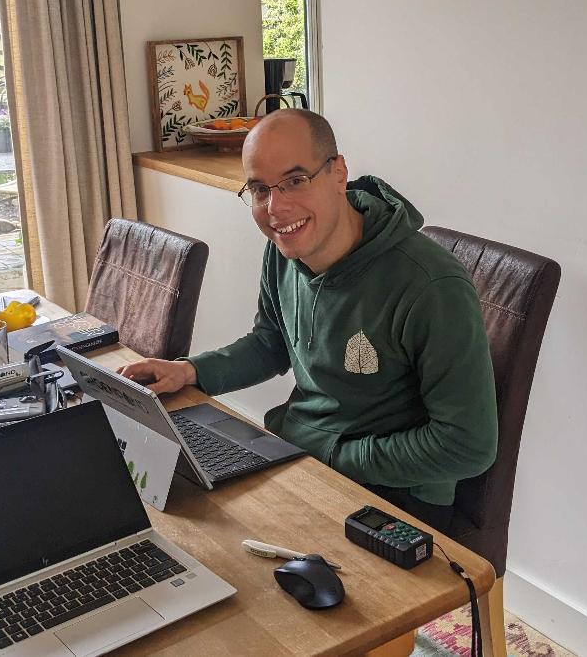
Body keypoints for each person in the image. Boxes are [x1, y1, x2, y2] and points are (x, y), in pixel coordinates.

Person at [119, 109, 497, 533]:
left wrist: (331, 454)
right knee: (175, 517)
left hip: (396, 496)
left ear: (339, 173)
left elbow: (467, 446)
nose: (275, 208)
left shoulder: (433, 286)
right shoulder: (285, 250)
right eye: (259, 189)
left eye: (295, 181)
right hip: (302, 454)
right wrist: (189, 370)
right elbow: (270, 342)